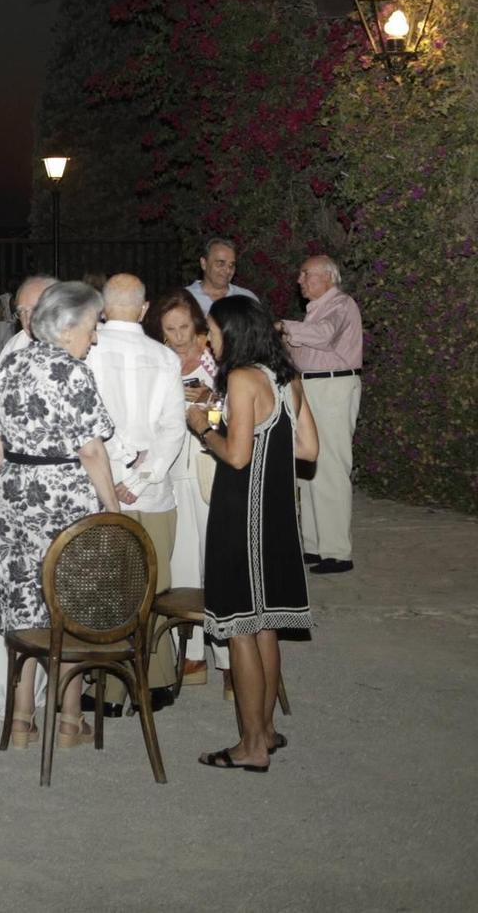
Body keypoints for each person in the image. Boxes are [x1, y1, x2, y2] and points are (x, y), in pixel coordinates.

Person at [0, 281, 121, 752]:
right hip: (63, 498)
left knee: (25, 604)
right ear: (71, 325)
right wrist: (113, 510)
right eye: (93, 327)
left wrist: (4, 474)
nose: (94, 338)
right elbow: (92, 450)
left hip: (17, 496)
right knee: (66, 604)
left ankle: (19, 722)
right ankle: (71, 722)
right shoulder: (73, 373)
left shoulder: (13, 361)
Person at [188, 295, 318, 772]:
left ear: (234, 333)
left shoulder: (242, 379)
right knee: (264, 627)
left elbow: (238, 456)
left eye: (212, 332)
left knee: (240, 628)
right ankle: (264, 730)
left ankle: (251, 747)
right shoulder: (286, 377)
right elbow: (307, 448)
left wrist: (203, 428)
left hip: (242, 513)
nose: (208, 339)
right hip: (277, 514)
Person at [84, 273, 188, 703]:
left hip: (99, 488)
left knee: (105, 586)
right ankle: (156, 681)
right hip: (153, 491)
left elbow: (89, 423)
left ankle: (107, 688)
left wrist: (120, 471)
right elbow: (173, 428)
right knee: (153, 586)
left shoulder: (85, 351)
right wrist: (142, 474)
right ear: (145, 310)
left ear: (103, 310)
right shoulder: (164, 357)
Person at [145, 289, 221, 682]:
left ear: (196, 324)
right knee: (183, 560)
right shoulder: (156, 361)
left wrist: (211, 400)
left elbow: (237, 409)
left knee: (218, 559)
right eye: (170, 329)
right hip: (175, 468)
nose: (178, 337)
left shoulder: (217, 356)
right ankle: (192, 655)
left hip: (211, 465)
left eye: (183, 327)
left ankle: (227, 657)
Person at [280, 255, 362, 574]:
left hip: (333, 387)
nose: (300, 280)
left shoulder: (340, 304)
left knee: (330, 467)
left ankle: (338, 552)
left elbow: (324, 335)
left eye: (305, 274)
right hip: (312, 387)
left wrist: (285, 327)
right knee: (308, 466)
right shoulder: (315, 311)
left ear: (328, 277)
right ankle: (315, 545)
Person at [0, 274, 57, 371]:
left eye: (35, 308)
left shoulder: (80, 344)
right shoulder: (14, 345)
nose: (27, 318)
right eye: (22, 311)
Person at [187, 237, 257, 316]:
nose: (227, 270)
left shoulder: (246, 298)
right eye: (220, 263)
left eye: (231, 265)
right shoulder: (186, 298)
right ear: (204, 263)